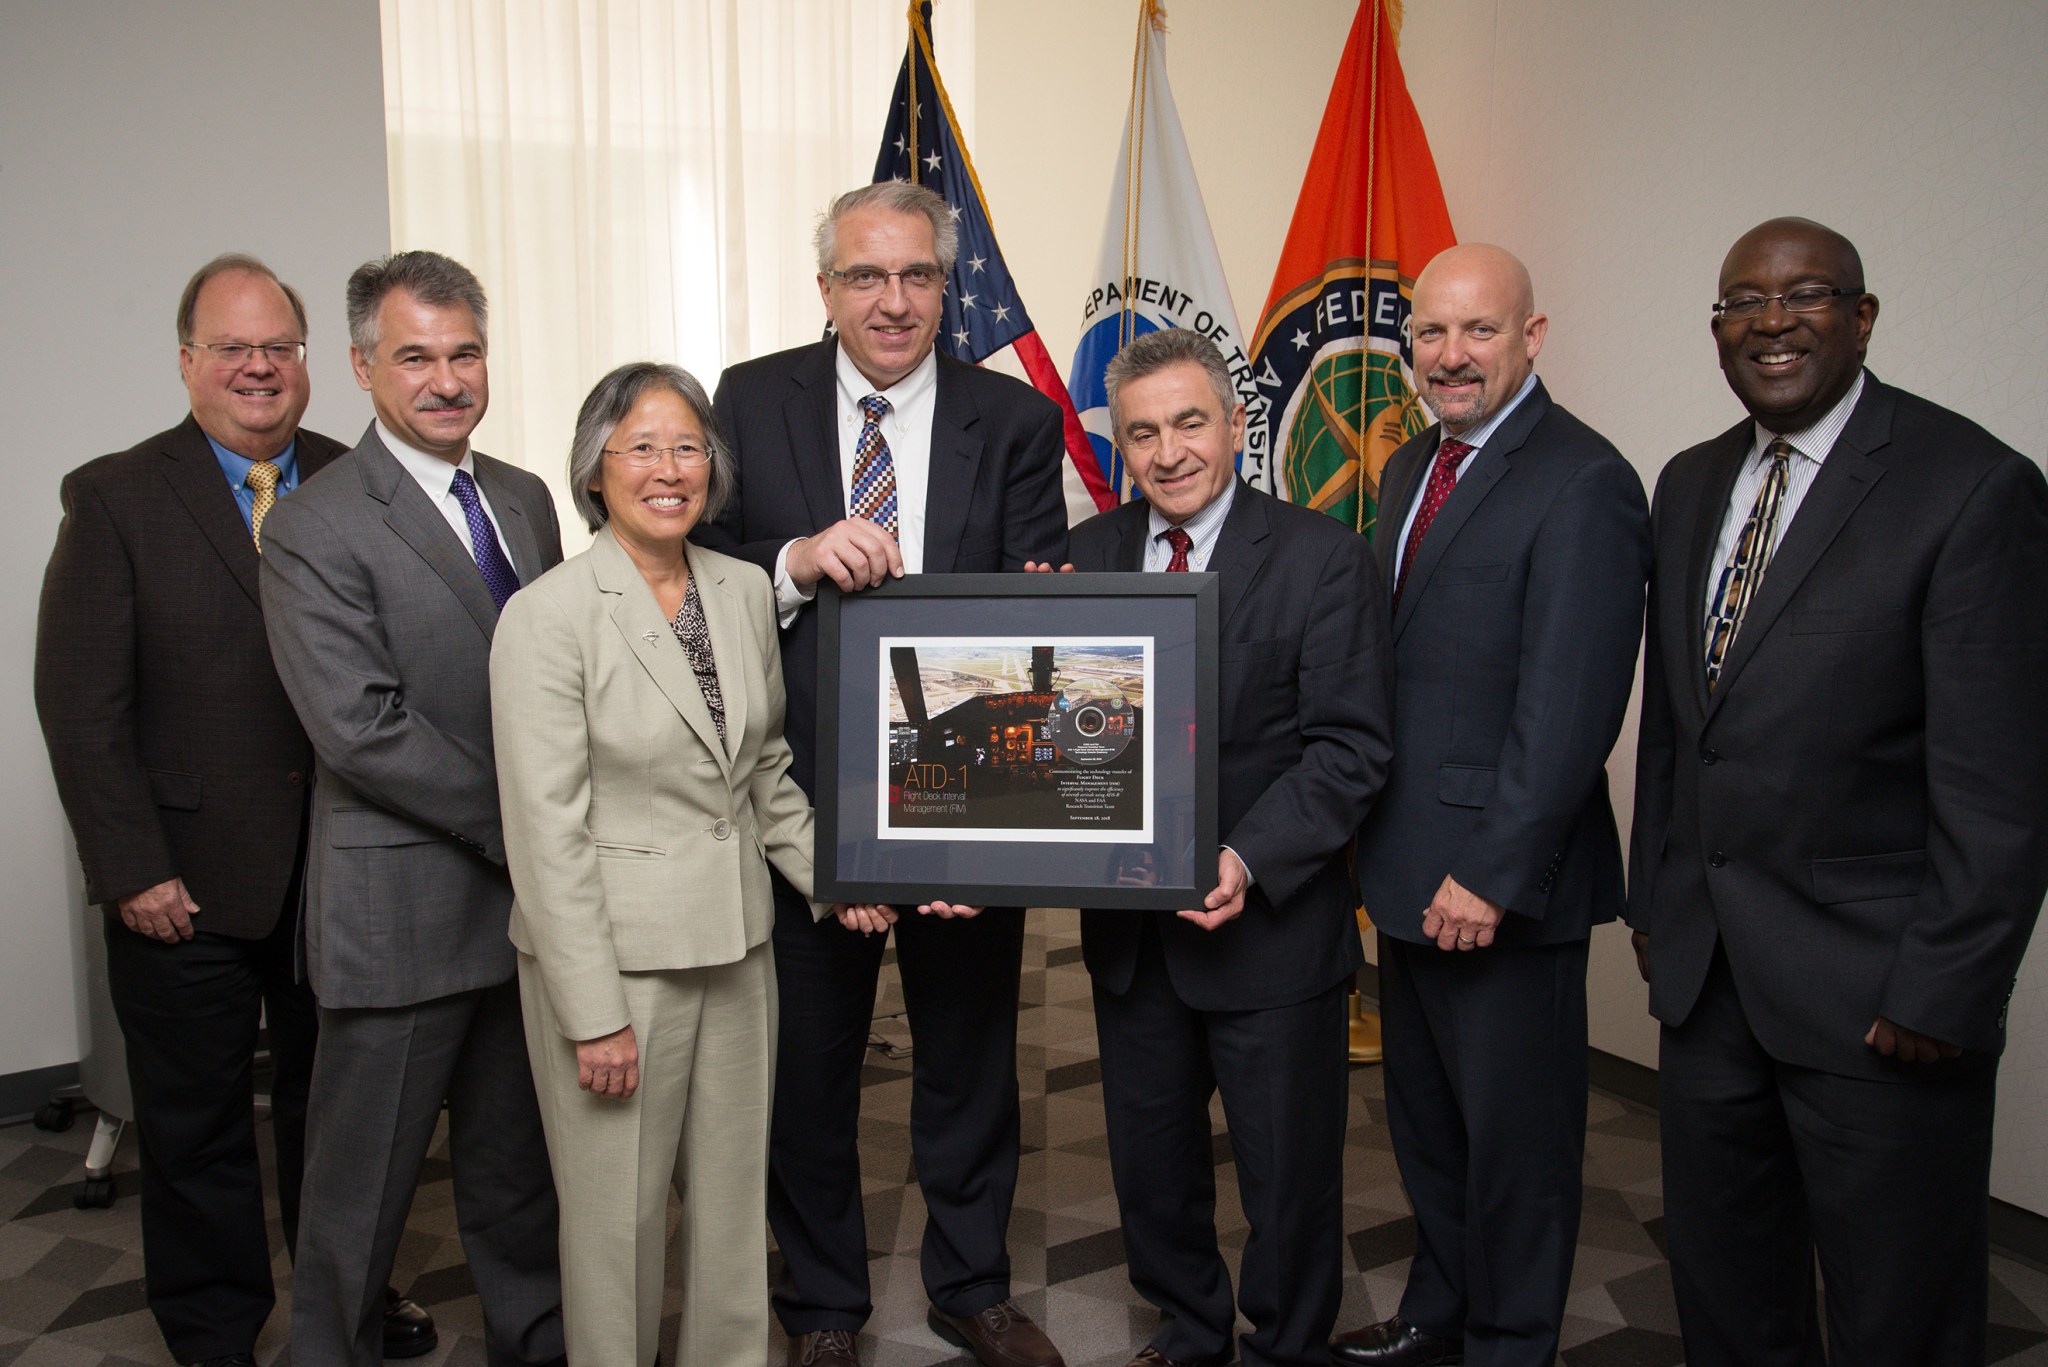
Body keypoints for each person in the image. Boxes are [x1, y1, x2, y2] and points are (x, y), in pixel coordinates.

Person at [1627, 217, 2048, 1366]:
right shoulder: (1688, 483)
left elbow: (2001, 784)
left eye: (1803, 294)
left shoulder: (1968, 489)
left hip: (1880, 1004)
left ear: (1860, 317)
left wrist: (1942, 990)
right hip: (1710, 992)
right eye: (1739, 302)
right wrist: (1657, 909)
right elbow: (1677, 731)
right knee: (1726, 1294)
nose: (1769, 319)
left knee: (1894, 1317)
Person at [33, 254, 435, 1367]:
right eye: (232, 347)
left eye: (280, 348)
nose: (259, 366)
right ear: (187, 362)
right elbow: (80, 705)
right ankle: (212, 1329)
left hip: (343, 870)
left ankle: (345, 1296)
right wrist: (130, 868)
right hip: (185, 883)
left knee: (341, 1116)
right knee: (196, 1128)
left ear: (311, 365)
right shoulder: (115, 495)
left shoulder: (357, 478)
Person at [698, 180, 1069, 1367]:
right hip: (798, 800)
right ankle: (819, 1306)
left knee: (969, 1061)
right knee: (805, 1073)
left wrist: (993, 831)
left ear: (943, 287)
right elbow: (694, 568)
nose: (893, 300)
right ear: (826, 289)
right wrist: (797, 560)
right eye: (865, 276)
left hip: (964, 796)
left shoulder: (1011, 420)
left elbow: (1031, 624)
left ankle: (971, 1285)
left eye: (916, 275)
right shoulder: (751, 401)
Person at [491, 362, 888, 1366]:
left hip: (737, 945)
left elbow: (761, 773)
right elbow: (548, 834)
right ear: (594, 470)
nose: (669, 469)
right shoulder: (548, 616)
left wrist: (831, 879)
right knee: (614, 1223)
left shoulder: (740, 588)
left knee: (726, 1210)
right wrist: (593, 1011)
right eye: (642, 447)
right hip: (617, 967)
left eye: (688, 447)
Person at [1329, 244, 1650, 1367]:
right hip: (1408, 869)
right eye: (1429, 332)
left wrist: (1493, 872)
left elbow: (1568, 709)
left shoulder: (1582, 478)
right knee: (1426, 1123)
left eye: (1477, 331)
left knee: (1515, 1144)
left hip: (1497, 884)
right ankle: (1439, 1313)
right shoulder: (1412, 463)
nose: (1448, 356)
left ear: (1532, 335)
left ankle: (1510, 1341)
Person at [1060, 329, 1393, 1367]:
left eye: (1188, 422)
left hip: (1270, 936)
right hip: (1132, 940)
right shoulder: (1088, 557)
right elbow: (1056, 734)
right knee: (1150, 1164)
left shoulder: (1320, 556)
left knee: (1286, 1175)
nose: (1166, 452)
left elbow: (1349, 748)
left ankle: (1287, 1343)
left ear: (1235, 423)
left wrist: (1245, 857)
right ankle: (1189, 1325)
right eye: (1142, 432)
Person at [260, 251, 567, 1367]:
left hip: (528, 919)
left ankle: (536, 1346)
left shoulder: (528, 498)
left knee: (519, 1178)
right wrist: (529, 820)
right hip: (402, 914)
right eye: (415, 357)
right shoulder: (315, 526)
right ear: (359, 367)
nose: (446, 379)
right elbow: (360, 726)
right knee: (357, 1202)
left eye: (464, 352)